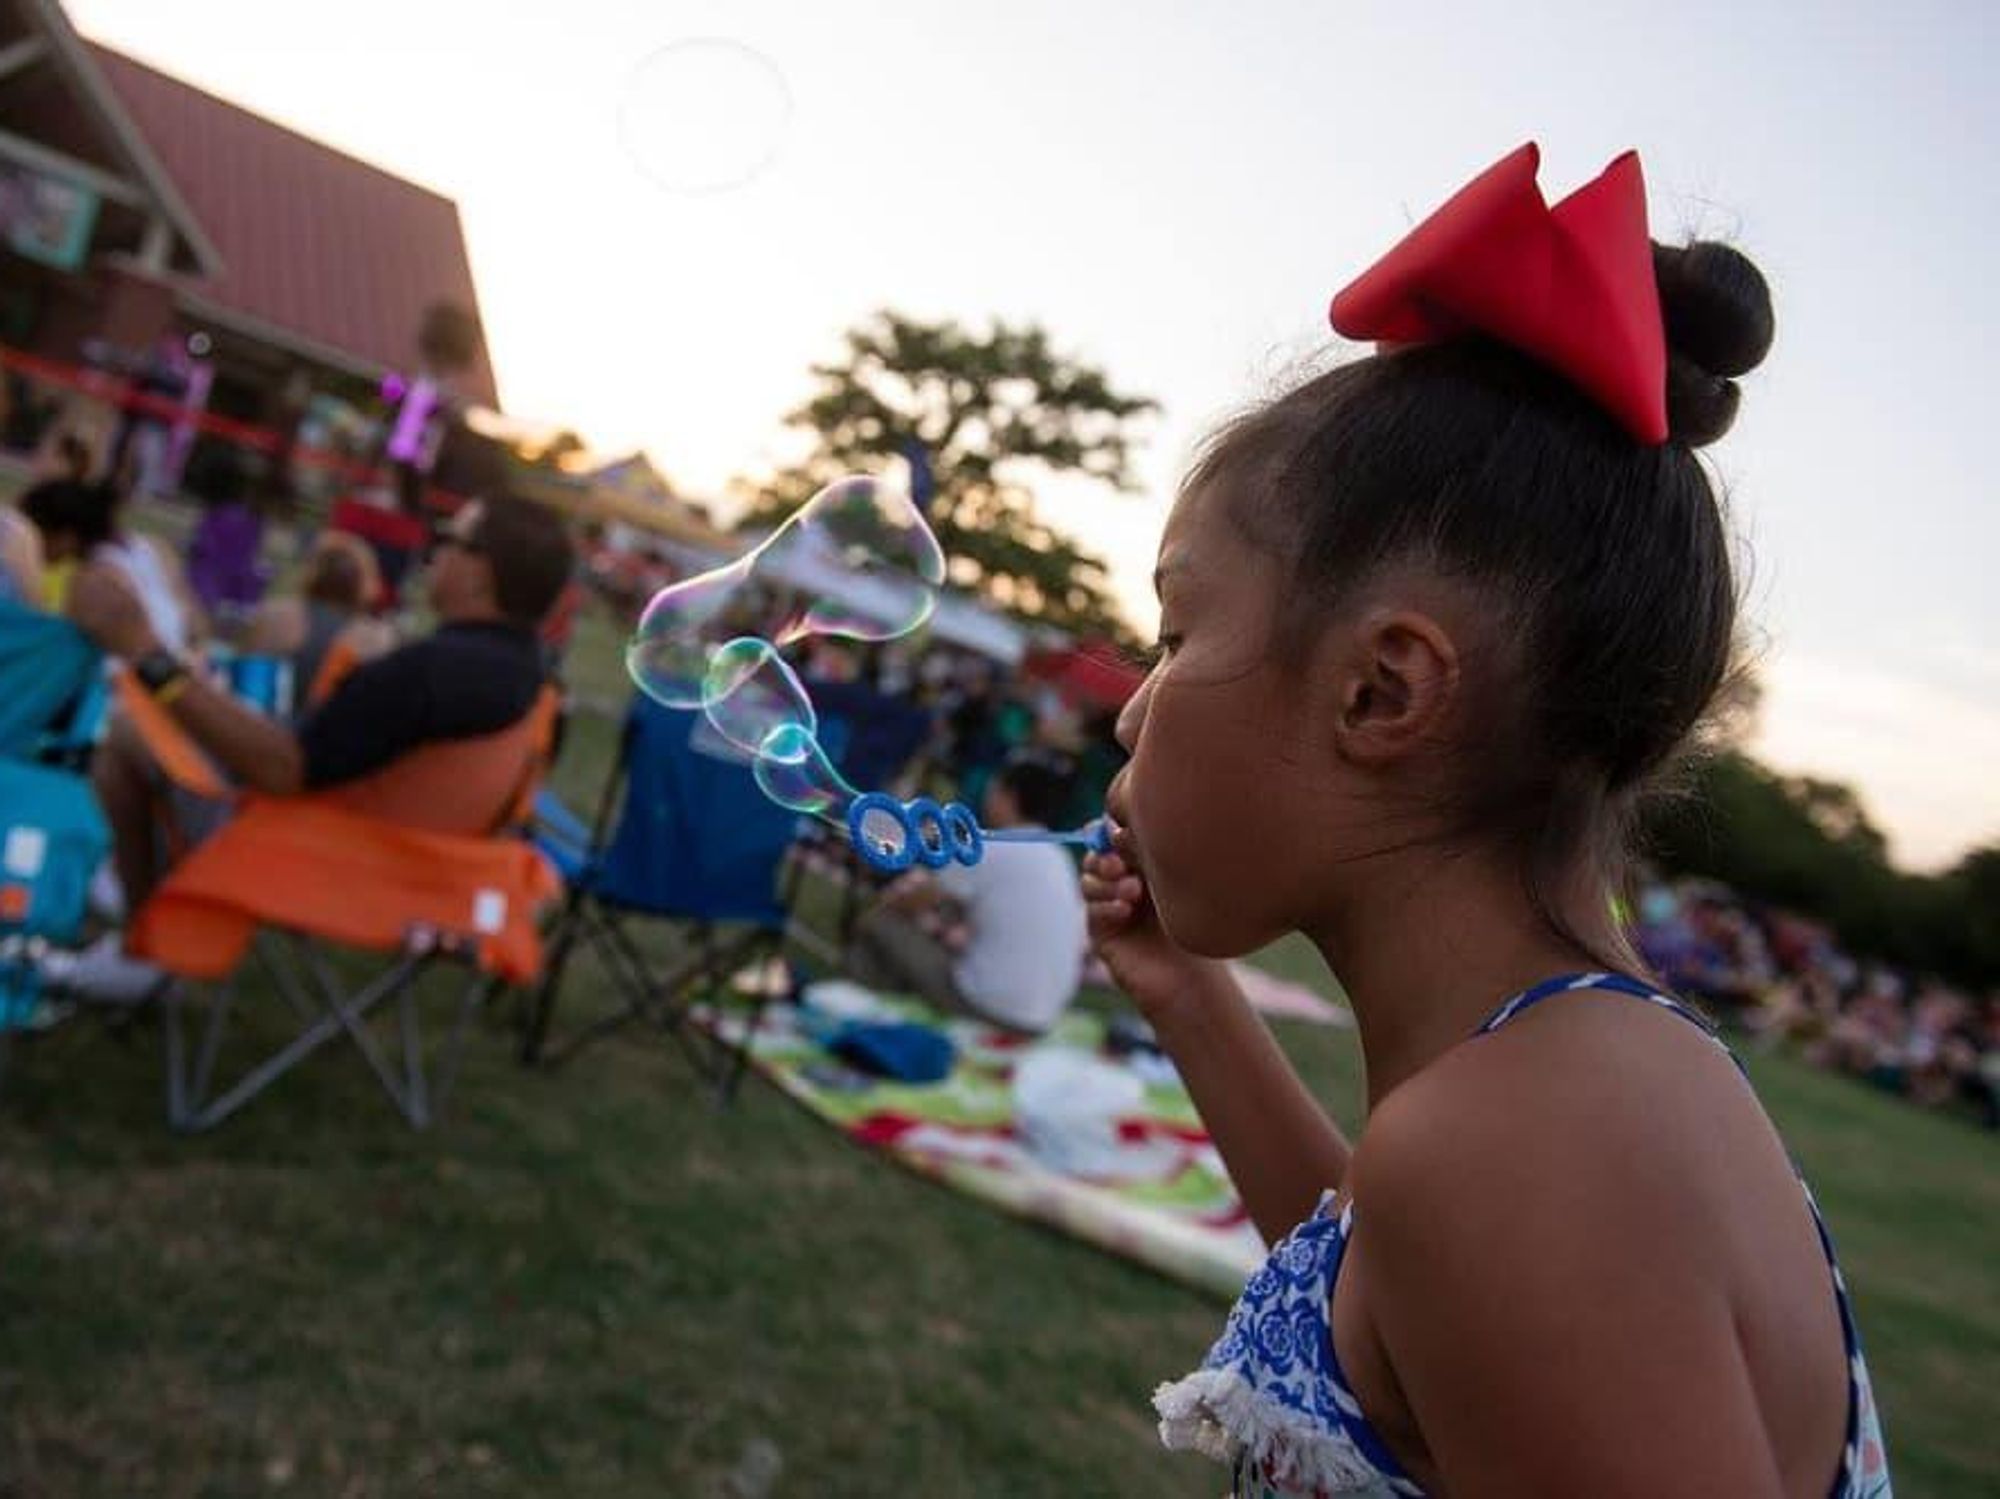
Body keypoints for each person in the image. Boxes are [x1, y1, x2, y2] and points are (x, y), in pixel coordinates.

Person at [1082, 145, 1890, 1496]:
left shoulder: (1524, 1146)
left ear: (1380, 687)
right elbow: (1392, 1329)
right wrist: (1191, 998)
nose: (1128, 710)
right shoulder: (1556, 1087)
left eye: (1174, 632)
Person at [71, 494, 573, 936]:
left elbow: (282, 770)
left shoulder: (431, 671)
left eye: (449, 539)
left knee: (128, 735)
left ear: (480, 571)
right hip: (435, 872)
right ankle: (150, 919)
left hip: (323, 862)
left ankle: (144, 938)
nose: (434, 552)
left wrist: (151, 658)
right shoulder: (533, 680)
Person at [849, 752, 1088, 1034]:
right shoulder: (1058, 856)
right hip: (1042, 1017)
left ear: (1007, 795)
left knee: (881, 921)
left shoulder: (989, 848)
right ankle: (887, 1011)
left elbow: (907, 901)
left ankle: (855, 1011)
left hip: (986, 1006)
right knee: (928, 941)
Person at [241, 530, 397, 714]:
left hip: (263, 728)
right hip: (324, 736)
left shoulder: (275, 614)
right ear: (366, 581)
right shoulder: (377, 637)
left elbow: (247, 695)